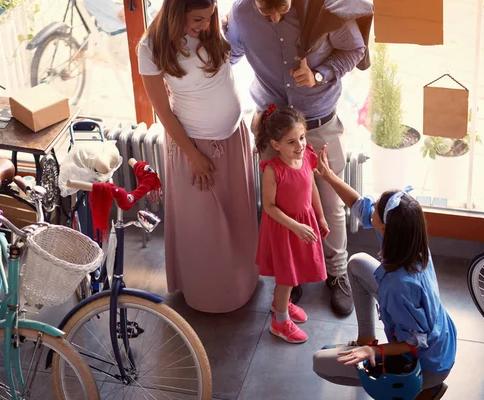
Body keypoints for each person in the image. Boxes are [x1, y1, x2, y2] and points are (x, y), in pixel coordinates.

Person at [225, 0, 373, 315]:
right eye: (267, 13)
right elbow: (231, 54)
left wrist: (319, 75)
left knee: (330, 204)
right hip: (273, 128)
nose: (276, 18)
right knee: (281, 207)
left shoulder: (324, 9)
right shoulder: (241, 14)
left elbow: (354, 50)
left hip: (318, 124)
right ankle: (292, 275)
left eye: (283, 9)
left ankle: (337, 274)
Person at [137, 0, 259, 313]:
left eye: (208, 17)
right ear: (176, 12)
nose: (204, 25)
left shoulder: (212, 29)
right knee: (205, 227)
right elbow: (162, 112)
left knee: (235, 217)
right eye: (197, 19)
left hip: (234, 138)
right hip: (194, 147)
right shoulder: (150, 47)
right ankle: (209, 295)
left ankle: (241, 283)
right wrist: (193, 155)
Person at [312, 145, 456, 399]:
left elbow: (414, 341)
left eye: (376, 207)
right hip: (441, 341)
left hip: (426, 362)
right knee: (357, 263)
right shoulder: (410, 240)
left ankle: (422, 388)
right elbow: (358, 205)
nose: (372, 207)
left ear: (386, 229)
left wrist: (373, 353)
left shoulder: (399, 285)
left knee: (320, 361)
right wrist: (328, 175)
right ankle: (366, 338)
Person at [255, 106, 328, 343]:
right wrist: (295, 227)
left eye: (302, 138)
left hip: (304, 223)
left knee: (294, 270)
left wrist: (320, 216)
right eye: (291, 142)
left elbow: (312, 187)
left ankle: (281, 302)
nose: (299, 146)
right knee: (286, 276)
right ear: (276, 145)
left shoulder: (306, 155)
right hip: (284, 228)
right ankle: (280, 320)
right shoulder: (273, 170)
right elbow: (269, 207)